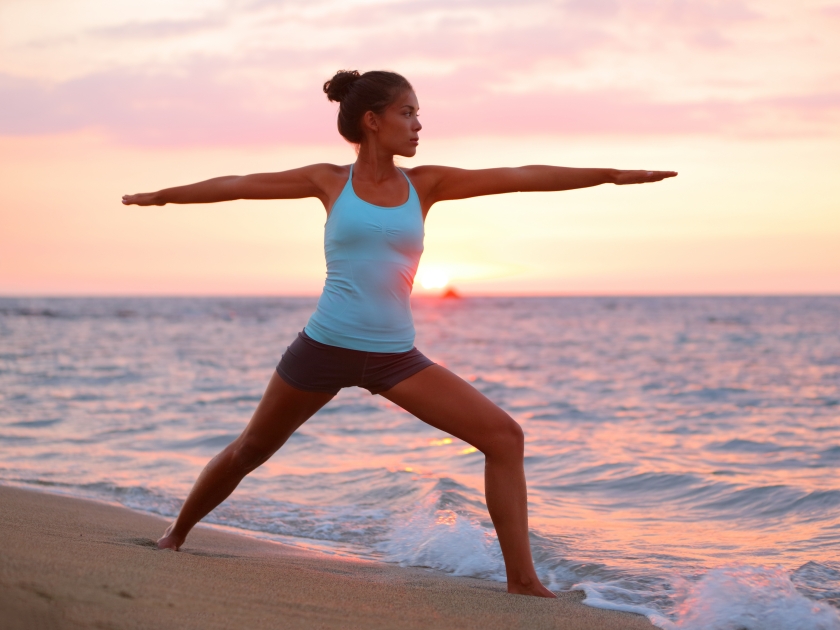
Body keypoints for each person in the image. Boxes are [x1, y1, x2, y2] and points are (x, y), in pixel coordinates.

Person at [122, 69, 677, 598]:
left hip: (394, 358)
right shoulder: (328, 180)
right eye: (407, 113)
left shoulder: (427, 184)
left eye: (418, 114)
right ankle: (176, 534)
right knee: (250, 450)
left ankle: (522, 580)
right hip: (322, 348)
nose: (417, 125)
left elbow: (520, 177)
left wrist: (610, 175)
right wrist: (164, 195)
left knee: (504, 437)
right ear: (371, 120)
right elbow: (240, 185)